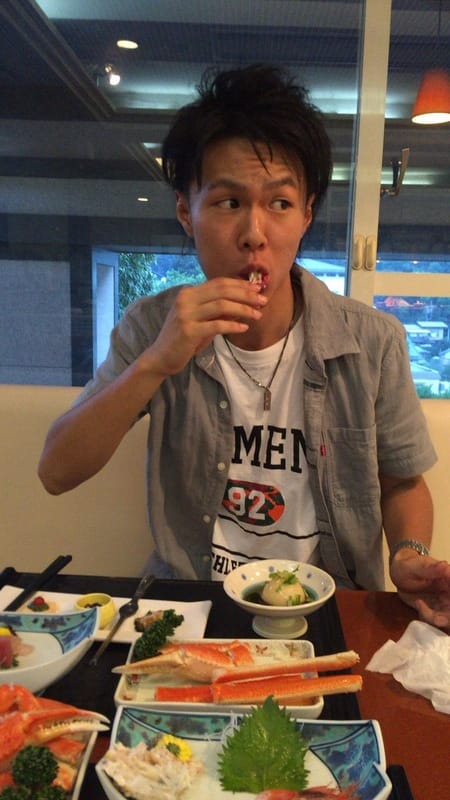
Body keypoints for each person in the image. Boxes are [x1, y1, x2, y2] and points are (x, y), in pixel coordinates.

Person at [38, 64, 450, 631]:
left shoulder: (372, 341)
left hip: (330, 610)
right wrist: (156, 362)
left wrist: (408, 555)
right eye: (228, 202)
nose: (255, 233)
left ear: (306, 214)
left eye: (279, 203)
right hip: (192, 607)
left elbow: (403, 482)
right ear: (186, 212)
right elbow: (56, 471)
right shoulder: (153, 325)